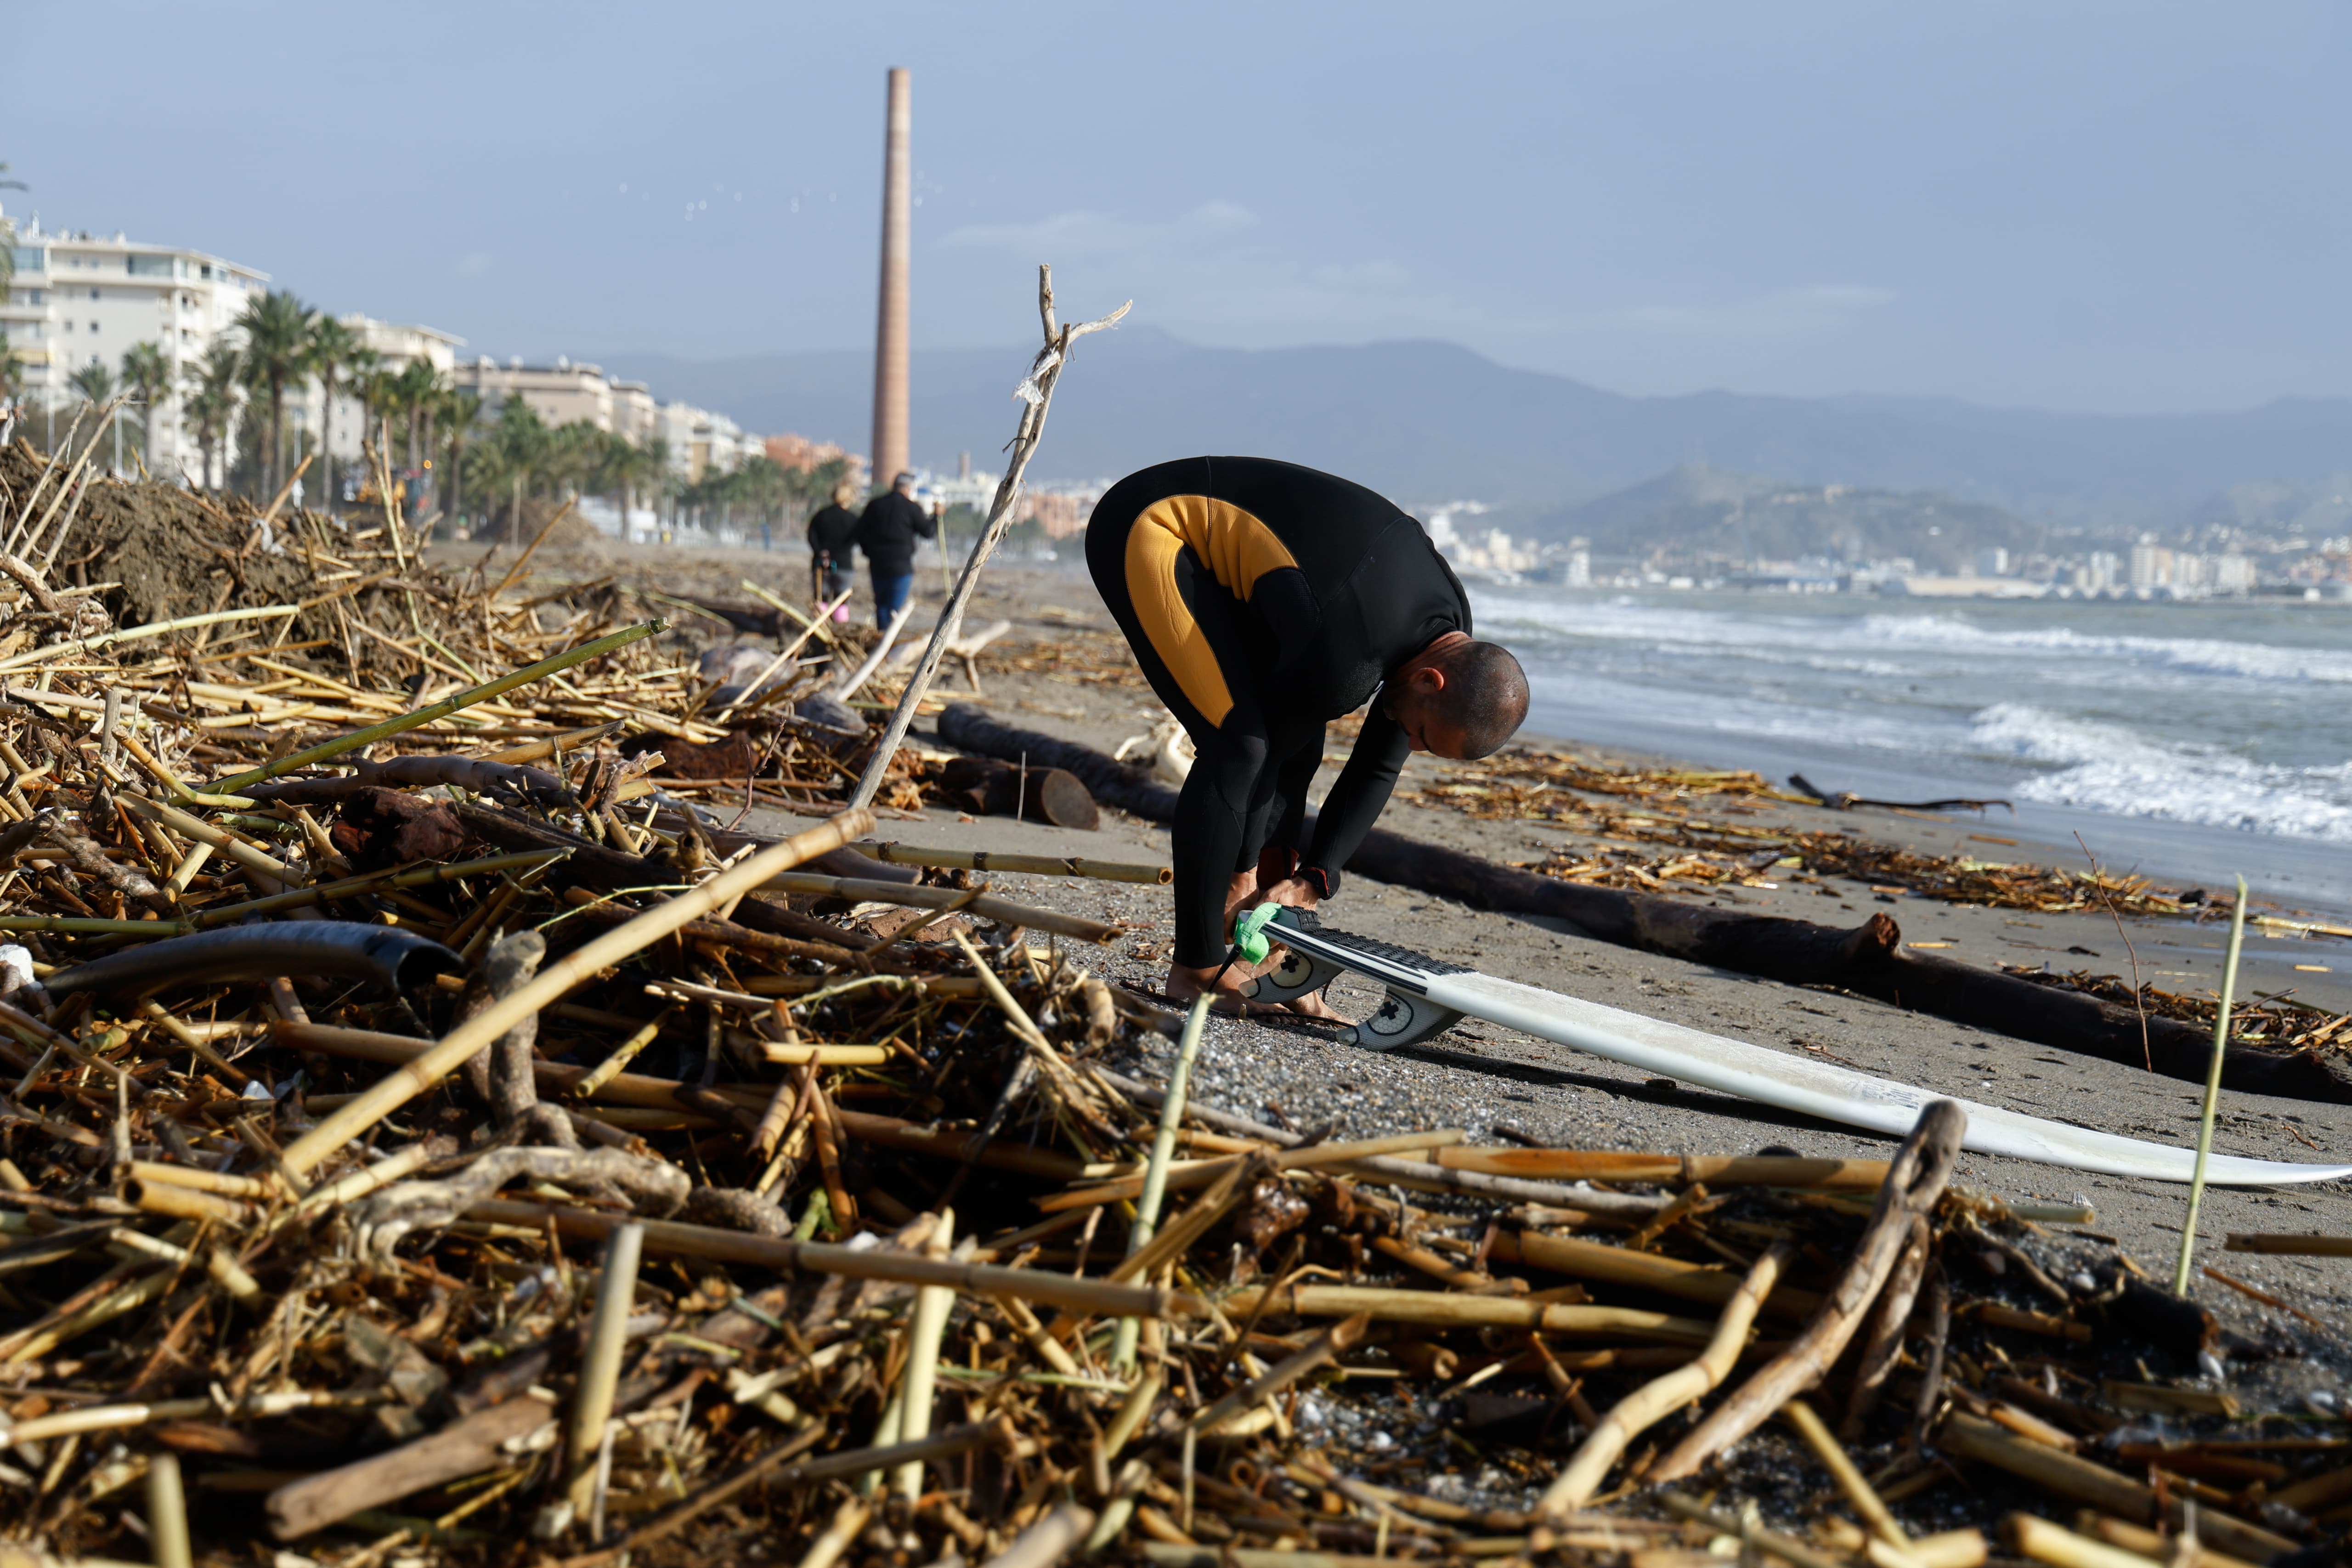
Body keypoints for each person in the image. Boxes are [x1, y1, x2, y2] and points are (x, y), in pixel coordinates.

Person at [1085, 456, 1530, 1015]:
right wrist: (1241, 875)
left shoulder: (1445, 630)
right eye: (1420, 733)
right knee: (1240, 745)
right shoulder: (1350, 654)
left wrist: (1311, 885)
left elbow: (1374, 767)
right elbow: (1273, 760)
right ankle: (1195, 967)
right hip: (1155, 527)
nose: (1409, 744)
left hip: (1271, 587)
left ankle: (1271, 956)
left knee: (1292, 742)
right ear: (1429, 680)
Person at [854, 471, 935, 628]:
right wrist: (936, 517)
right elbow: (928, 532)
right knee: (894, 608)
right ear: (908, 489)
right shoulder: (912, 508)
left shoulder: (875, 505)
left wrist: (868, 551)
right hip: (901, 566)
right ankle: (888, 642)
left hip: (878, 564)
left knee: (882, 606)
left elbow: (859, 532)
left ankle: (881, 638)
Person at [805, 480, 861, 623]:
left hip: (820, 563)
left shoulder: (821, 515)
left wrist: (821, 552)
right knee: (841, 601)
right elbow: (854, 540)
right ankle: (839, 629)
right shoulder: (852, 519)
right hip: (843, 565)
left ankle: (821, 626)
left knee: (821, 598)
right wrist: (837, 554)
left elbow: (811, 536)